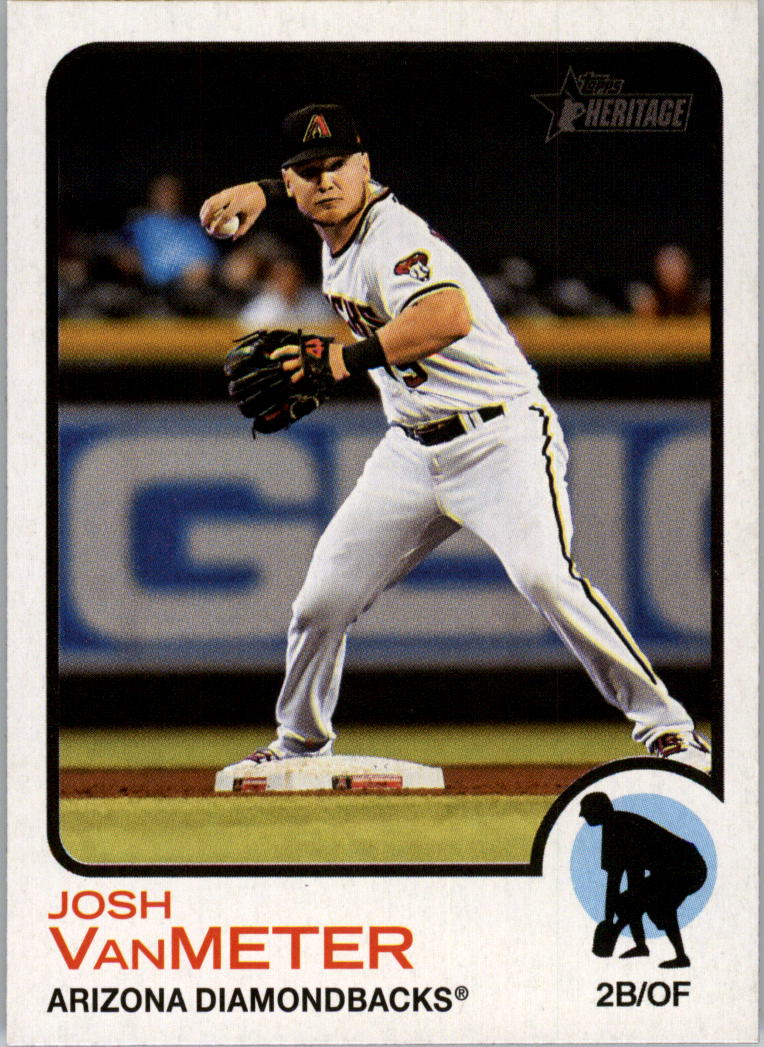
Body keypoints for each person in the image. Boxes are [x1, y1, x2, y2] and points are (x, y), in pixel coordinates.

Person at [200, 103, 711, 774]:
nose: (326, 181)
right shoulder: (332, 219)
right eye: (308, 171)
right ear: (291, 181)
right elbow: (314, 190)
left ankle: (670, 730)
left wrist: (344, 359)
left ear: (366, 166)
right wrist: (264, 190)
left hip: (499, 437)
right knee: (321, 601)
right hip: (411, 451)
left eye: (338, 165)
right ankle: (299, 743)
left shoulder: (392, 236)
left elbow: (448, 314)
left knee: (545, 576)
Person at [579, 792, 708, 967]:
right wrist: (611, 923)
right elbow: (625, 883)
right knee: (629, 900)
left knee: (659, 906)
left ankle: (681, 957)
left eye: (587, 812)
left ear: (599, 811)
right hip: (671, 871)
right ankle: (641, 946)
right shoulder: (613, 825)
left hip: (688, 868)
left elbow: (616, 881)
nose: (584, 816)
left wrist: (613, 927)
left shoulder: (618, 827)